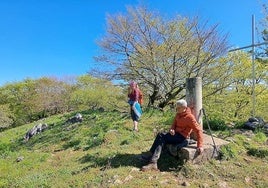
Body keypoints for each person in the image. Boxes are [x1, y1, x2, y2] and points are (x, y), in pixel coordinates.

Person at [141, 99, 204, 171]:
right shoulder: (178, 114)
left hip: (182, 137)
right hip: (175, 134)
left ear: (184, 108)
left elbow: (198, 130)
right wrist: (172, 129)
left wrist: (200, 145)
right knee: (160, 135)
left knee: (161, 136)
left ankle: (152, 160)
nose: (177, 109)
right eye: (176, 108)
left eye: (178, 108)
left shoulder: (190, 117)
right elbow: (173, 124)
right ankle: (152, 158)